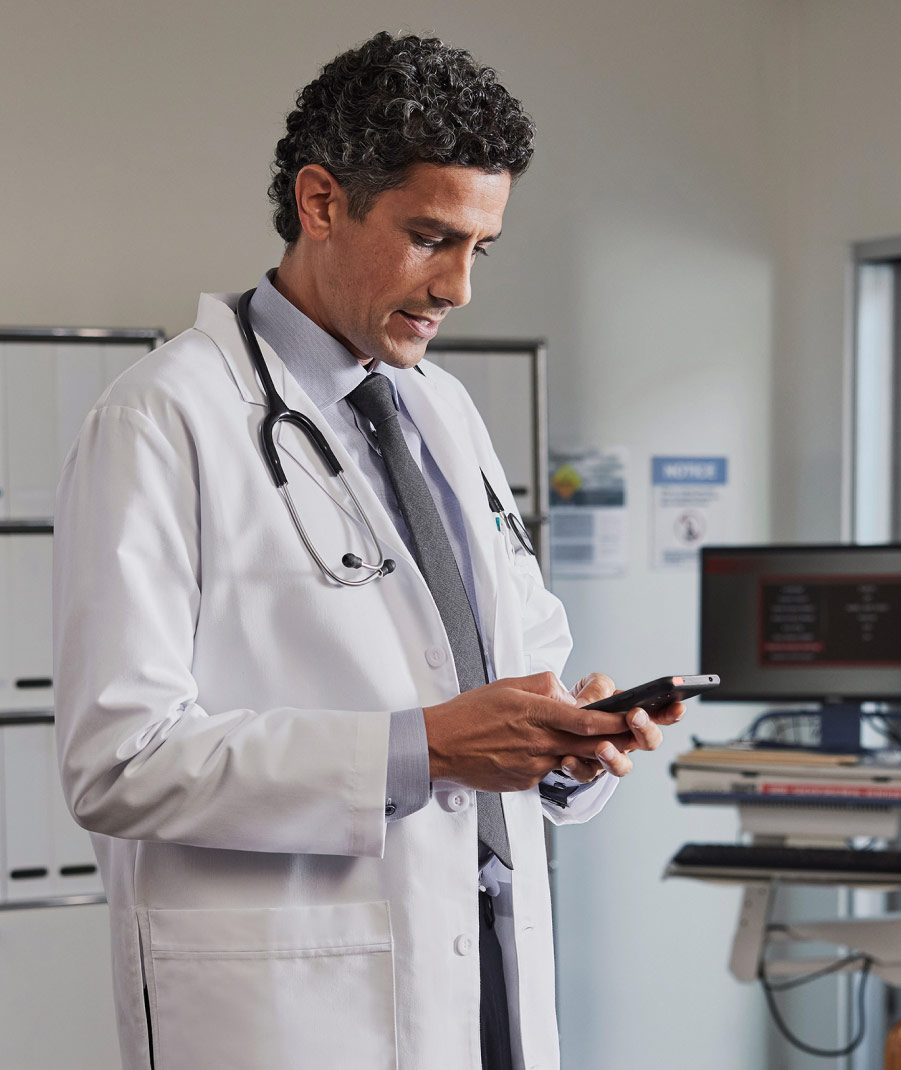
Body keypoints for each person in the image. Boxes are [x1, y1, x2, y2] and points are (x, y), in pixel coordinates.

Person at [53, 32, 681, 1070]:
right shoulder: (163, 418)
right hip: (298, 1006)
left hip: (482, 978)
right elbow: (118, 762)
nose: (458, 287)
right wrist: (423, 746)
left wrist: (563, 738)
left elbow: (505, 664)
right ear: (319, 201)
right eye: (430, 236)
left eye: (480, 246)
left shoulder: (444, 411)